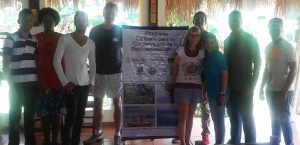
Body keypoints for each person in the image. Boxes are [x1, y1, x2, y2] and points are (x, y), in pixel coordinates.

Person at [53, 11, 96, 145]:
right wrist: (65, 82)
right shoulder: (65, 39)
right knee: (70, 118)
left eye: (84, 19)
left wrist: (92, 83)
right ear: (75, 21)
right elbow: (55, 61)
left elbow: (93, 64)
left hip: (84, 85)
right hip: (70, 86)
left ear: (87, 22)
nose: (82, 21)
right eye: (79, 19)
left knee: (80, 119)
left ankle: (76, 142)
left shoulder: (91, 43)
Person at [83, 2, 123, 145]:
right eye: (107, 11)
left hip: (116, 72)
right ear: (103, 13)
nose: (110, 14)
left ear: (116, 14)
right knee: (97, 103)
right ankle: (97, 132)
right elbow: (88, 52)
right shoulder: (94, 31)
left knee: (117, 103)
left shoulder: (120, 30)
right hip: (98, 72)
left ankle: (118, 134)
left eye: (113, 12)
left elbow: (127, 51)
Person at [172, 11, 212, 145]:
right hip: (182, 87)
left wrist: (205, 85)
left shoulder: (207, 43)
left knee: (193, 115)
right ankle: (183, 140)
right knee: (183, 116)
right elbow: (175, 66)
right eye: (192, 35)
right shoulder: (181, 49)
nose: (194, 37)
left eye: (197, 36)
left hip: (198, 86)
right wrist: (174, 81)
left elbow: (206, 66)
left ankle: (198, 137)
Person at [224, 10, 261, 144]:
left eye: (236, 19)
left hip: (245, 88)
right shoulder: (227, 40)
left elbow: (258, 62)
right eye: (231, 20)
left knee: (247, 119)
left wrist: (252, 86)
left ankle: (250, 142)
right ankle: (234, 141)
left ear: (241, 21)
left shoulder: (250, 39)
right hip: (230, 88)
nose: (234, 22)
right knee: (233, 118)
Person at [2, 9, 38, 145]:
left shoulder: (35, 40)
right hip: (16, 86)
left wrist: (38, 86)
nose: (28, 23)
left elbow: (36, 64)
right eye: (25, 20)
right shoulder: (10, 39)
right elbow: (5, 67)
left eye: (30, 20)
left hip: (32, 86)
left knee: (30, 120)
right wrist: (12, 88)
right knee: (14, 119)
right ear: (19, 21)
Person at [259, 18, 296, 145]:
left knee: (285, 120)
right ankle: (275, 143)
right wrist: (261, 88)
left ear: (282, 28)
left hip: (283, 90)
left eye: (277, 26)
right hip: (271, 90)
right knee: (274, 119)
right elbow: (266, 69)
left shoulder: (287, 46)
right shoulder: (268, 47)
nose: (274, 29)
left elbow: (293, 70)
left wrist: (285, 92)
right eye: (271, 27)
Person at [35, 7, 64, 145]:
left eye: (50, 21)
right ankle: (46, 139)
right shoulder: (36, 38)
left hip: (58, 81)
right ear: (42, 22)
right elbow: (34, 60)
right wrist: (37, 81)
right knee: (44, 114)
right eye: (45, 21)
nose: (48, 23)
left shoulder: (61, 38)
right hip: (43, 81)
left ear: (55, 22)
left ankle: (55, 138)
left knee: (58, 113)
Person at [203, 34, 228, 144]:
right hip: (211, 94)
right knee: (215, 120)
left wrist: (222, 94)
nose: (209, 45)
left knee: (219, 120)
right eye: (207, 43)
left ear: (215, 43)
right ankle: (218, 142)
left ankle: (220, 142)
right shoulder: (206, 58)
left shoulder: (219, 56)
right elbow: (206, 77)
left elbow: (225, 75)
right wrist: (204, 92)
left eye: (211, 42)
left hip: (220, 94)